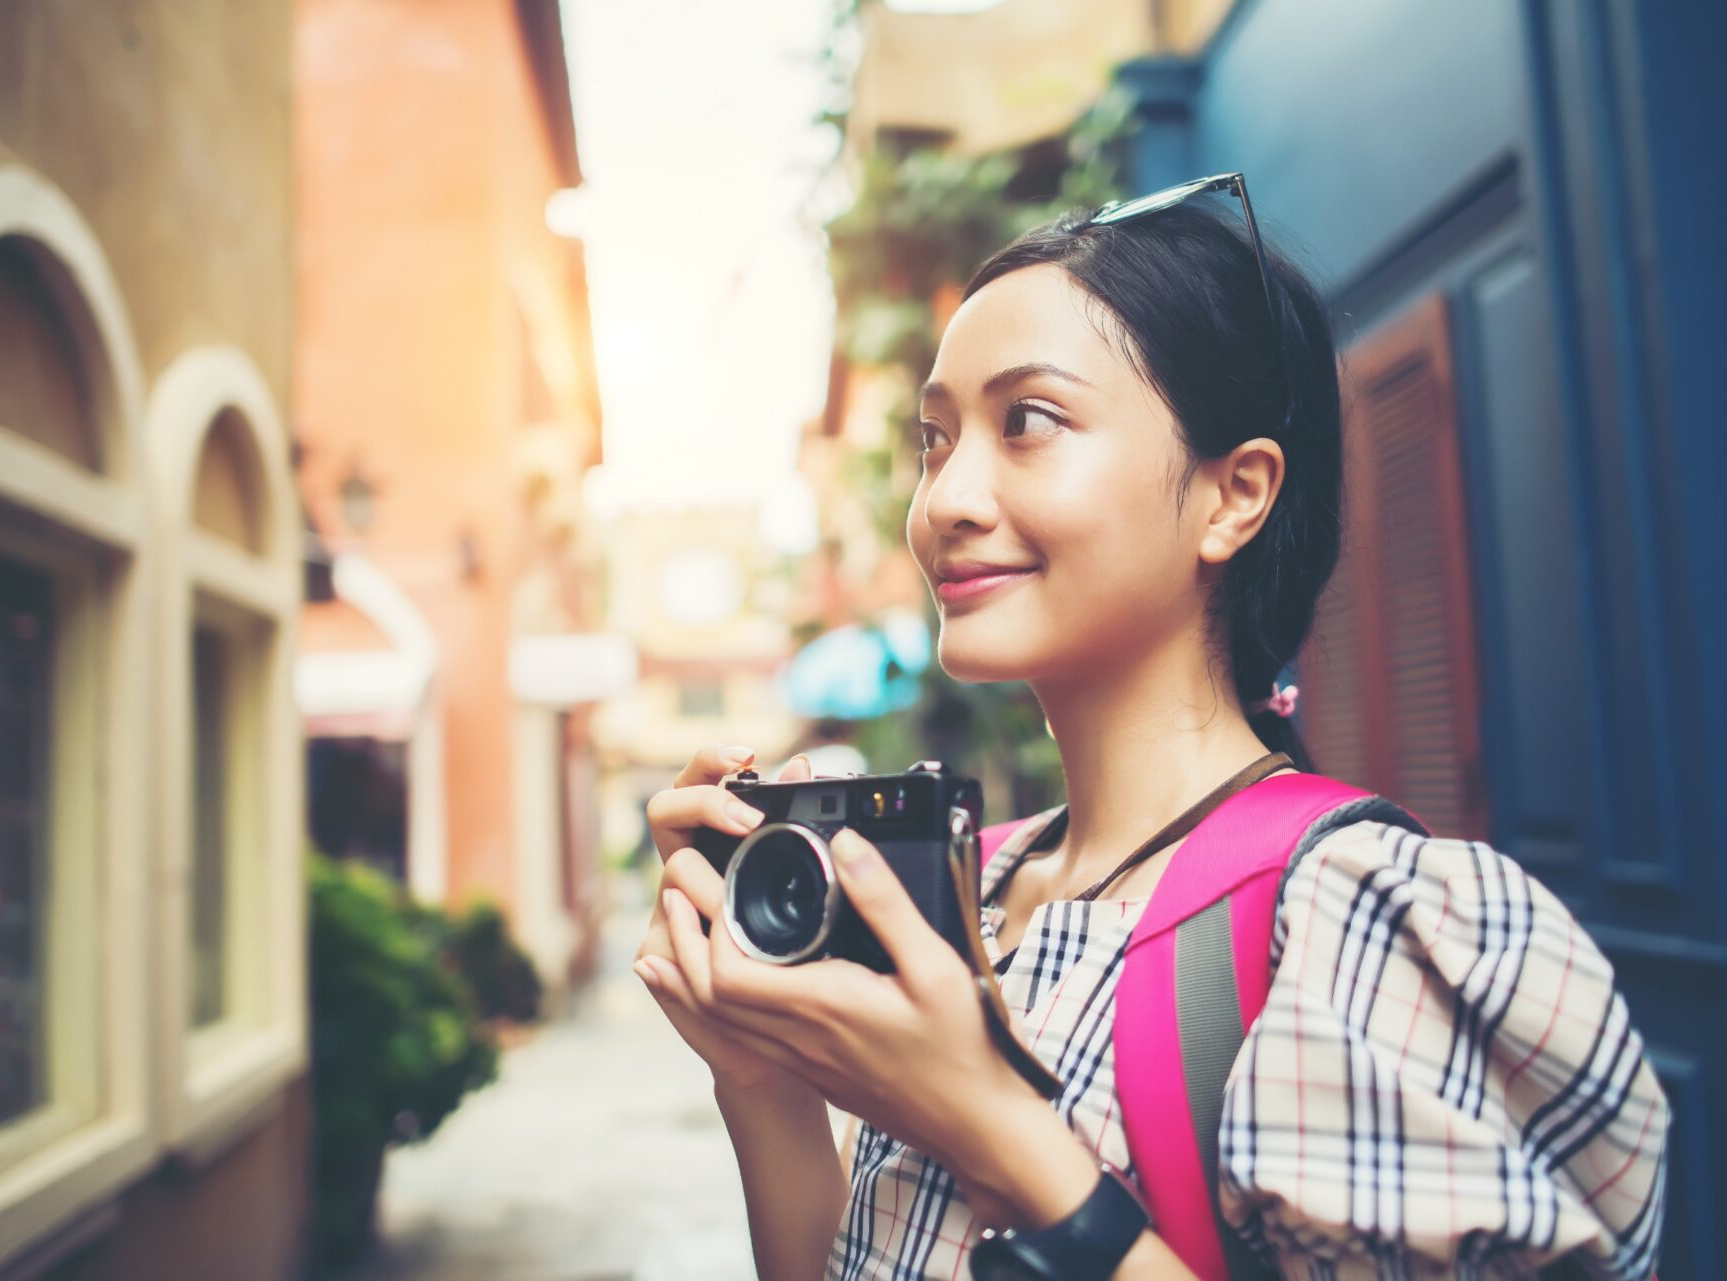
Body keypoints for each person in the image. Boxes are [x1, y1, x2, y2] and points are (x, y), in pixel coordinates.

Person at [632, 185, 1669, 1280]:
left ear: (1234, 496)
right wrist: (764, 1084)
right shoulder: (961, 894)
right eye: (934, 440)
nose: (944, 502)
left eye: (1027, 421)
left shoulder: (1357, 927)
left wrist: (996, 1130)